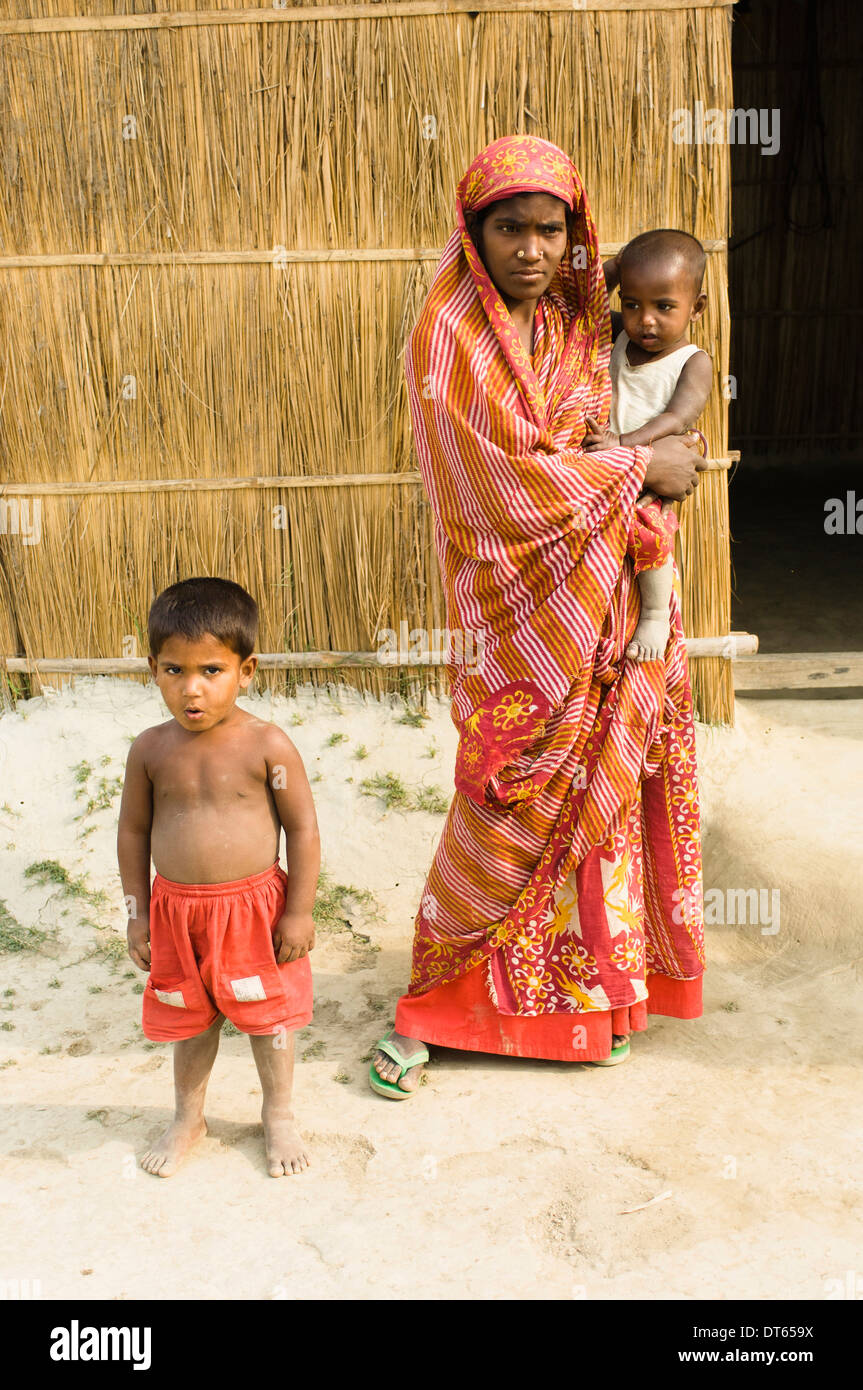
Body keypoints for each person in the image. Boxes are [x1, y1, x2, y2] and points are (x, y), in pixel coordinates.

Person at [370, 135, 706, 1099]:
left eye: (549, 229)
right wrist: (638, 466)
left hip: (607, 603)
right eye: (508, 227)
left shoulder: (578, 315)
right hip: (512, 618)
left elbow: (660, 375)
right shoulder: (452, 338)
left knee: (601, 795)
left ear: (574, 236)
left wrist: (639, 460)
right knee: (505, 795)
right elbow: (491, 491)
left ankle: (593, 998)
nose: (530, 249)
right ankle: (445, 1006)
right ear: (472, 233)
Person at [117, 577, 320, 1175]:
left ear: (247, 669)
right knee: (189, 1017)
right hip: (176, 913)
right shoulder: (150, 751)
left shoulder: (267, 745)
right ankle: (188, 1116)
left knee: (269, 1019)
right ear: (152, 668)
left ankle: (277, 1114)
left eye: (210, 669)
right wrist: (136, 917)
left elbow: (303, 829)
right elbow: (132, 833)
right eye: (174, 671)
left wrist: (300, 911)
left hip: (254, 911)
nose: (191, 689)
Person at [582, 229, 713, 661]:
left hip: (650, 478)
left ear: (696, 308)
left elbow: (677, 418)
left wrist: (625, 446)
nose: (646, 319)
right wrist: (616, 269)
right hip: (609, 471)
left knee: (652, 539)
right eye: (632, 303)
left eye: (664, 306)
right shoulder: (621, 334)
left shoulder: (692, 361)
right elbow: (584, 303)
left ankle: (654, 614)